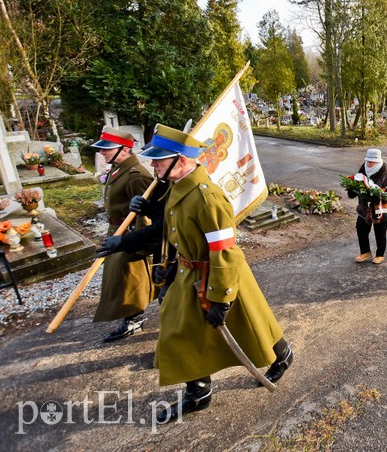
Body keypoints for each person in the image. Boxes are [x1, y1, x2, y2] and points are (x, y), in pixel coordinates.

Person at [138, 124, 292, 423]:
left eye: (158, 159)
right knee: (179, 330)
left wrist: (221, 299)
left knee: (252, 325)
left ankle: (282, 354)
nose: (153, 164)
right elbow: (175, 231)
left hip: (219, 275)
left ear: (181, 160)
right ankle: (198, 392)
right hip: (189, 272)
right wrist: (169, 265)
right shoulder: (178, 187)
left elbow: (225, 250)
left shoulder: (207, 198)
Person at [90, 128, 156, 342]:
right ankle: (131, 316)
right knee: (119, 278)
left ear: (124, 150)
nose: (103, 153)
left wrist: (138, 244)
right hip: (117, 232)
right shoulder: (118, 169)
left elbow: (145, 215)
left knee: (131, 280)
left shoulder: (136, 175)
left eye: (107, 149)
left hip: (129, 236)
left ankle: (134, 319)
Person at [349, 149, 387, 264]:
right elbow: (355, 189)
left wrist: (377, 194)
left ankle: (380, 254)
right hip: (364, 208)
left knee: (380, 232)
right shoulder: (362, 171)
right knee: (361, 229)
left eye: (372, 162)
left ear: (378, 161)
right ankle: (365, 252)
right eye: (368, 161)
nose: (369, 164)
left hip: (380, 209)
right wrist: (352, 188)